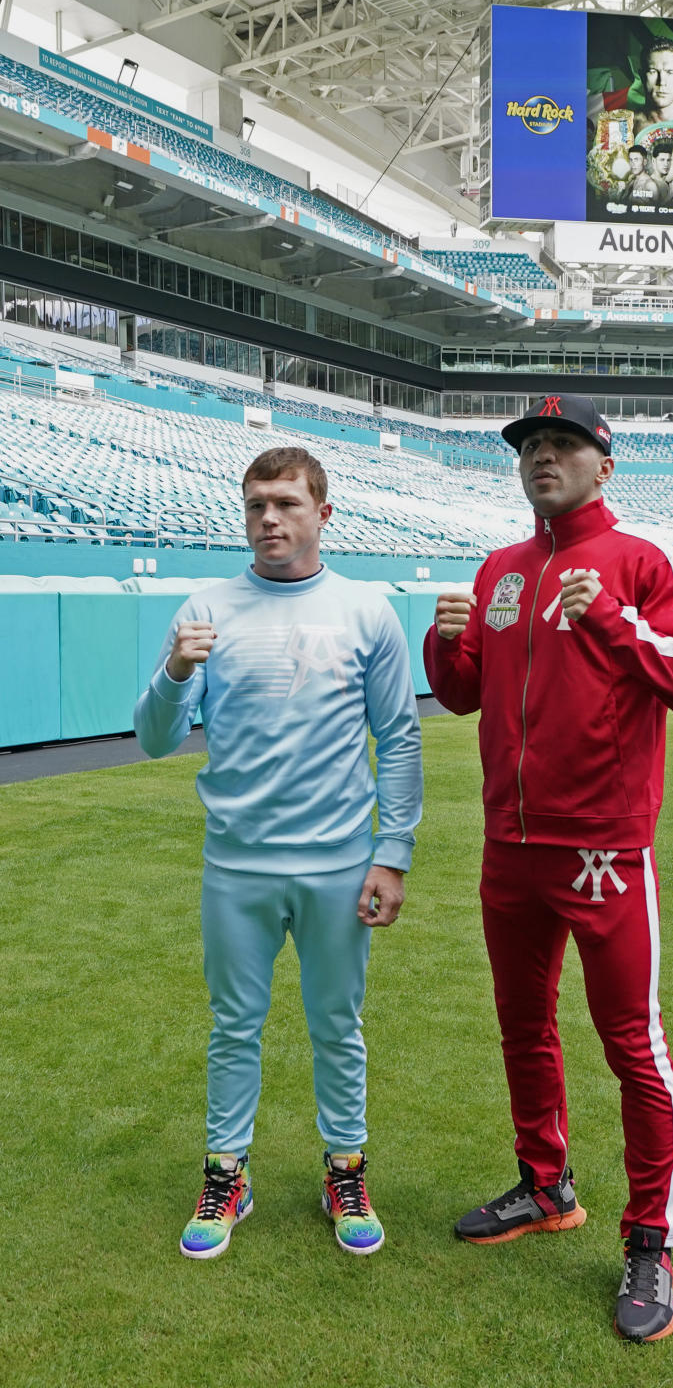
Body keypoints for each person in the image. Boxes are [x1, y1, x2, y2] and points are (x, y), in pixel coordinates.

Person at [423, 395, 673, 1344]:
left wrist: (617, 625)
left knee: (631, 1042)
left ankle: (652, 1243)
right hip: (509, 845)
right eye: (529, 446)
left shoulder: (641, 560)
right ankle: (544, 1184)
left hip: (603, 844)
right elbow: (465, 695)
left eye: (562, 444)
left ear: (605, 464)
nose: (541, 457)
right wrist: (445, 641)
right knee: (523, 1026)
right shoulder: (502, 568)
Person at [134, 445, 422, 1262]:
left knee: (338, 1025)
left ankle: (346, 1170)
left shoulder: (365, 611)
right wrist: (174, 672)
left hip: (337, 864)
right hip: (237, 865)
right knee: (235, 1027)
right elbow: (155, 739)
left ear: (323, 515)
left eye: (288, 504)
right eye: (257, 503)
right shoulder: (205, 607)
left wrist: (390, 854)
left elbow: (397, 740)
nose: (270, 519)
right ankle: (228, 1173)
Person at [629, 38, 673, 142]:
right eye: (653, 71)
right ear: (642, 76)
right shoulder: (624, 128)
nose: (662, 81)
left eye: (670, 72)